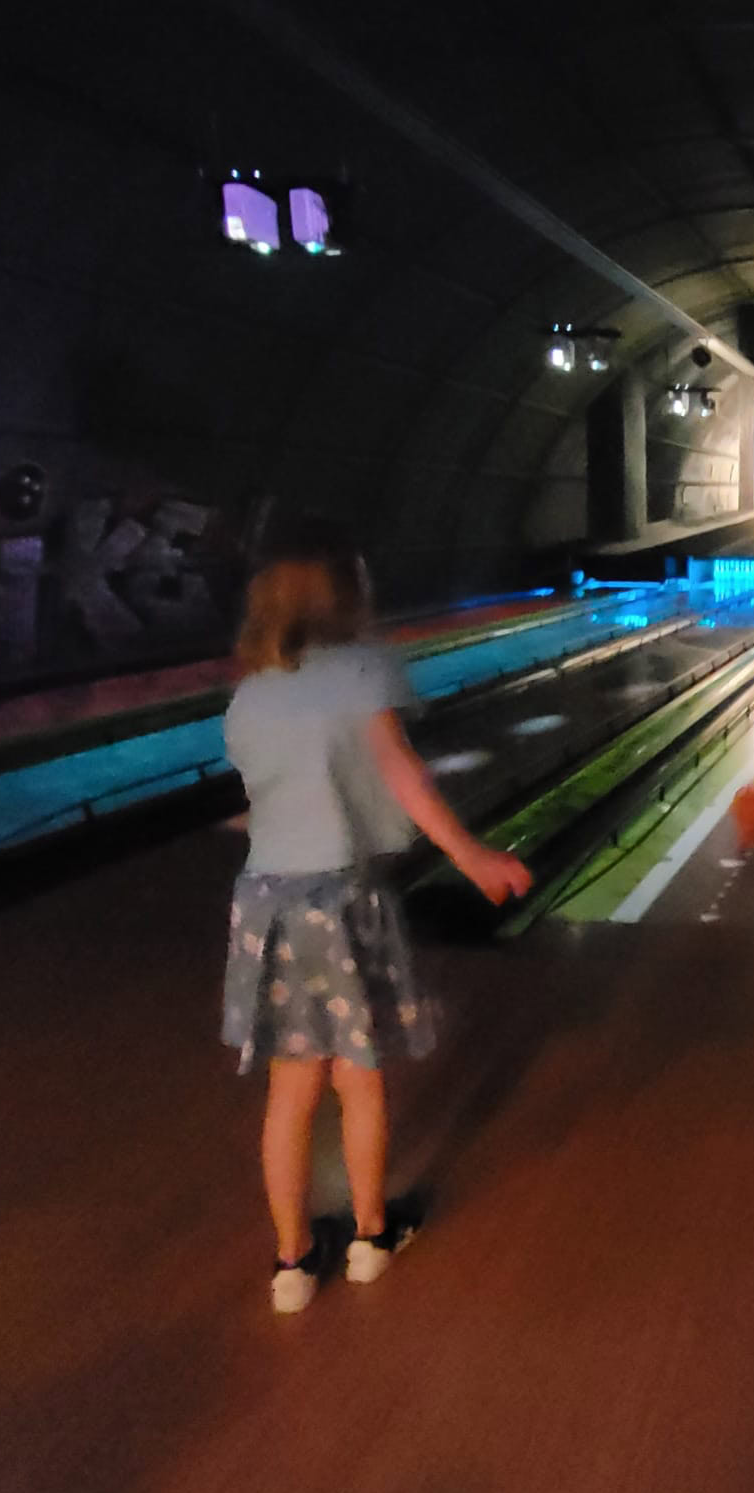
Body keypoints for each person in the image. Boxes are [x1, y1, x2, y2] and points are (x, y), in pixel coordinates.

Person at [222, 549, 533, 1312]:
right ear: (342, 600)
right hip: (339, 901)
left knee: (290, 1090)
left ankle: (292, 1265)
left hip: (264, 903)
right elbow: (401, 774)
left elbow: (265, 797)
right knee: (358, 1078)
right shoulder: (360, 672)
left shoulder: (250, 692)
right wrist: (471, 856)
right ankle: (369, 1237)